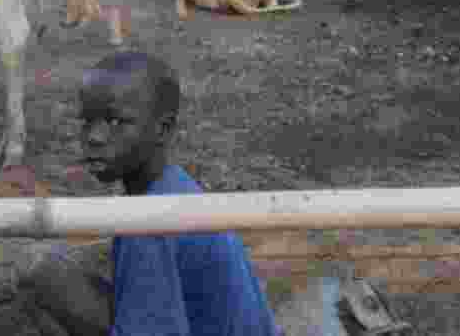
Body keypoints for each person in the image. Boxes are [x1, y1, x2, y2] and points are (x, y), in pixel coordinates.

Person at [17, 51, 279, 336]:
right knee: (48, 268)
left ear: (162, 129)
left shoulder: (150, 224)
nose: (94, 136)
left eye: (115, 122)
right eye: (87, 121)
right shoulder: (172, 186)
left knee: (39, 271)